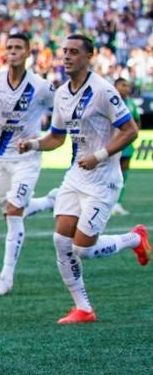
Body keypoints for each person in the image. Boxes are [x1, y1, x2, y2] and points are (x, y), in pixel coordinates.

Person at [17, 35, 148, 324]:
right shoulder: (62, 93)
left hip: (102, 179)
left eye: (74, 52)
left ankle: (134, 238)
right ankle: (83, 309)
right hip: (76, 176)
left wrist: (99, 156)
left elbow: (130, 130)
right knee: (61, 241)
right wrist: (34, 144)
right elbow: (56, 138)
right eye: (64, 51)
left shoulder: (103, 90)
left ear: (89, 56)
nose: (66, 56)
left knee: (83, 249)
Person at [0, 33, 59, 295]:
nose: (12, 51)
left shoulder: (42, 86)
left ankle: (6, 277)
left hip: (27, 157)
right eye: (9, 47)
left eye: (18, 48)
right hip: (1, 156)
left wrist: (42, 139)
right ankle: (49, 202)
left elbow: (61, 112)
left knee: (14, 214)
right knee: (10, 212)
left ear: (27, 53)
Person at [111, 77, 140, 215]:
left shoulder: (131, 104)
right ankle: (108, 202)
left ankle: (118, 203)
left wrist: (132, 135)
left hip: (127, 144)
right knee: (110, 172)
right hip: (111, 143)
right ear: (115, 87)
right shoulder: (109, 101)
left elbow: (137, 121)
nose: (126, 88)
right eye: (123, 85)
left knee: (123, 172)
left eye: (127, 86)